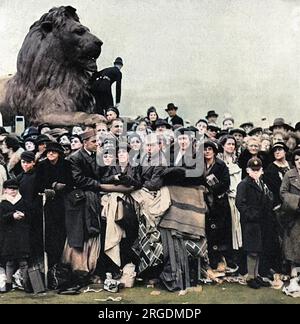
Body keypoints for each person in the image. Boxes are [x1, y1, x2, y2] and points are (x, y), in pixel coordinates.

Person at [236, 157, 279, 289]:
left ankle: (256, 275)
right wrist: (251, 215)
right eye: (252, 170)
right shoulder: (244, 184)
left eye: (258, 170)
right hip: (251, 222)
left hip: (261, 221)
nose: (255, 172)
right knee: (252, 250)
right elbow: (240, 203)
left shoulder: (262, 183)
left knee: (258, 248)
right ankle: (250, 277)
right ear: (247, 170)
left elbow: (268, 199)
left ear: (262, 171)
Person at [0, 179, 31, 292]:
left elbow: (30, 216)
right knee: (10, 261)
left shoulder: (23, 201)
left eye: (15, 189)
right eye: (10, 189)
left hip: (22, 234)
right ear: (5, 190)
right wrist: (12, 216)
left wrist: (24, 215)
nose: (13, 191)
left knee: (23, 261)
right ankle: (8, 284)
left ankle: (26, 284)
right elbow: (1, 219)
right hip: (8, 236)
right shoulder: (3, 203)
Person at [280, 148, 300, 277]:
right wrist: (297, 202)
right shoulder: (289, 174)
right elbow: (283, 192)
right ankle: (294, 268)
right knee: (293, 241)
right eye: (297, 159)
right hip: (294, 214)